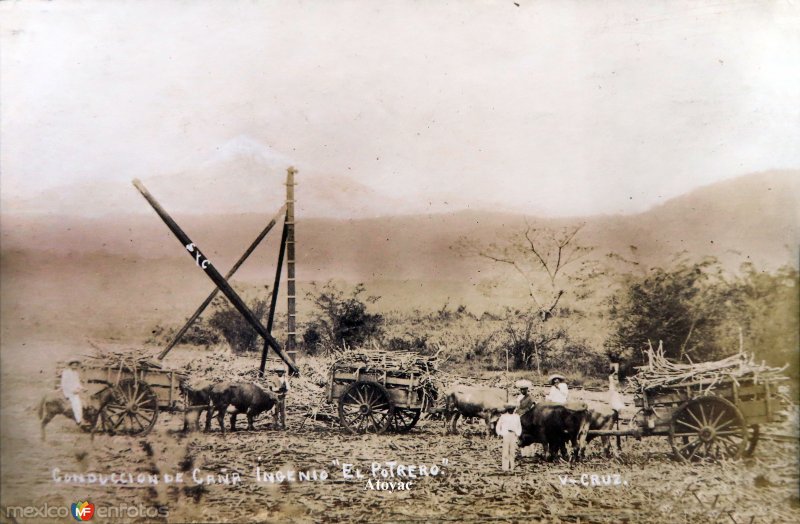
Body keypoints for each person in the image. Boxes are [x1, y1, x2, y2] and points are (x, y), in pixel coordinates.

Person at [495, 404, 522, 472]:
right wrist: (500, 433)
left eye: (513, 408)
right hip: (506, 434)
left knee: (512, 451)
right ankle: (505, 467)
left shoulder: (516, 416)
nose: (512, 410)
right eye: (510, 409)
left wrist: (518, 433)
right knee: (505, 451)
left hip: (513, 434)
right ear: (507, 409)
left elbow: (519, 426)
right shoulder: (503, 416)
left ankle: (512, 466)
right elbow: (498, 426)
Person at [60, 358, 84, 425]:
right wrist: (72, 390)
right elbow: (64, 384)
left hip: (75, 391)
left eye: (76, 365)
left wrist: (82, 388)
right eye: (73, 365)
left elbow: (77, 383)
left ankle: (82, 418)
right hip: (68, 391)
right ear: (70, 365)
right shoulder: (66, 372)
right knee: (77, 404)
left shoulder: (76, 373)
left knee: (85, 401)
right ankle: (78, 420)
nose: (75, 366)